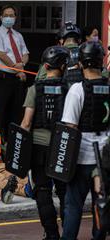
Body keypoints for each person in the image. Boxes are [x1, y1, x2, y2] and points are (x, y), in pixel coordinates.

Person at [60, 41, 109, 240]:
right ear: (101, 62)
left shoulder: (77, 90)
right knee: (102, 204)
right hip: (105, 161)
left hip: (81, 159)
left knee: (73, 207)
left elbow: (69, 128)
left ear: (80, 63)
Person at [21, 46, 70, 239]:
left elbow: (26, 123)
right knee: (65, 191)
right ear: (64, 66)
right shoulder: (70, 90)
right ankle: (69, 231)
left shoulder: (34, 89)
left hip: (39, 149)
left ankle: (51, 235)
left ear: (45, 66)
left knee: (42, 191)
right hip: (63, 146)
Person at [0, 5, 30, 139]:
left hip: (17, 79)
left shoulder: (18, 35)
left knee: (17, 112)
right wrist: (16, 68)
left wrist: (22, 65)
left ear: (15, 18)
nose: (9, 18)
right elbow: (1, 54)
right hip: (3, 78)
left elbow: (25, 53)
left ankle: (13, 143)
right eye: (6, 15)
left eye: (11, 15)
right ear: (1, 17)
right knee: (0, 112)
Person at [36, 22, 82, 86]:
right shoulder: (86, 53)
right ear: (79, 40)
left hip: (61, 93)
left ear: (61, 40)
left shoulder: (54, 55)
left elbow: (39, 79)